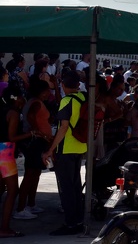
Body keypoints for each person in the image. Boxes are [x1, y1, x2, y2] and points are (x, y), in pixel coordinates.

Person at [42, 70, 87, 235]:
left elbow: (64, 127)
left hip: (66, 148)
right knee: (75, 187)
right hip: (80, 147)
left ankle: (70, 224)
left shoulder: (67, 101)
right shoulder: (84, 98)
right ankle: (79, 220)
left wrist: (50, 150)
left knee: (66, 189)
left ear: (62, 85)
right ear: (78, 85)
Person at [16, 79, 51, 219]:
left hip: (38, 141)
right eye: (47, 90)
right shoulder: (35, 103)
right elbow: (31, 116)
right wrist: (37, 131)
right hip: (35, 141)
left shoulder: (34, 101)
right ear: (42, 91)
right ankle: (20, 208)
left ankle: (31, 204)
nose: (49, 93)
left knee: (35, 173)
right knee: (30, 174)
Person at [0, 86, 27, 236]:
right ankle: (4, 228)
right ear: (16, 99)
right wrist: (31, 133)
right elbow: (11, 137)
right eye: (22, 97)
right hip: (5, 153)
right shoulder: (13, 113)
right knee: (12, 191)